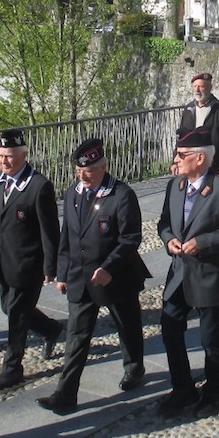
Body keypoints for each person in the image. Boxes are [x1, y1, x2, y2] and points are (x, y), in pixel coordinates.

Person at [37, 138, 149, 414]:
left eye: (88, 171)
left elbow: (130, 238)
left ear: (102, 167)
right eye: (78, 171)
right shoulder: (74, 193)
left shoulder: (121, 195)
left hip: (115, 276)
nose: (82, 176)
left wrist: (109, 268)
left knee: (127, 325)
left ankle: (134, 368)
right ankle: (66, 393)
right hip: (80, 277)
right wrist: (61, 272)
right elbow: (68, 236)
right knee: (76, 336)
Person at [156, 129, 219, 418]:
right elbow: (164, 223)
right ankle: (182, 389)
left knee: (211, 340)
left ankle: (214, 393)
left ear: (200, 158)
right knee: (170, 328)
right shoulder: (175, 186)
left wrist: (204, 243)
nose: (177, 159)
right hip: (179, 274)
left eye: (182, 155)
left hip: (209, 275)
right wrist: (168, 239)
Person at [0, 129, 64, 390]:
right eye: (1, 156)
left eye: (9, 157)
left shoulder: (39, 186)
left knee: (16, 315)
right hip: (4, 263)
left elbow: (50, 231)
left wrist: (52, 267)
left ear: (23, 155)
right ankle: (50, 330)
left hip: (28, 264)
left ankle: (13, 367)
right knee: (9, 308)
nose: (4, 162)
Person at [178, 72, 219, 178]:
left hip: (213, 167)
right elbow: (181, 139)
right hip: (191, 166)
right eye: (195, 86)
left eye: (201, 86)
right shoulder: (188, 110)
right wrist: (176, 161)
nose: (197, 90)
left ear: (210, 88)